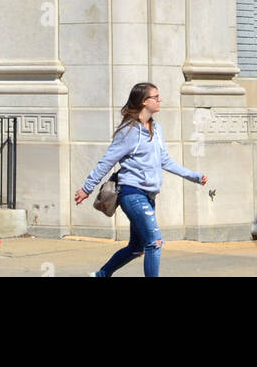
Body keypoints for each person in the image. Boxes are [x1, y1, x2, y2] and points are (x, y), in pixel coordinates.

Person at [74, 81, 207, 278]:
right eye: (156, 97)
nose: (160, 100)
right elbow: (107, 161)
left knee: (137, 248)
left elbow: (165, 160)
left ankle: (100, 275)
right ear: (144, 102)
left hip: (149, 195)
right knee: (155, 242)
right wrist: (87, 188)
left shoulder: (156, 128)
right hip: (132, 193)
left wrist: (194, 176)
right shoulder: (129, 132)